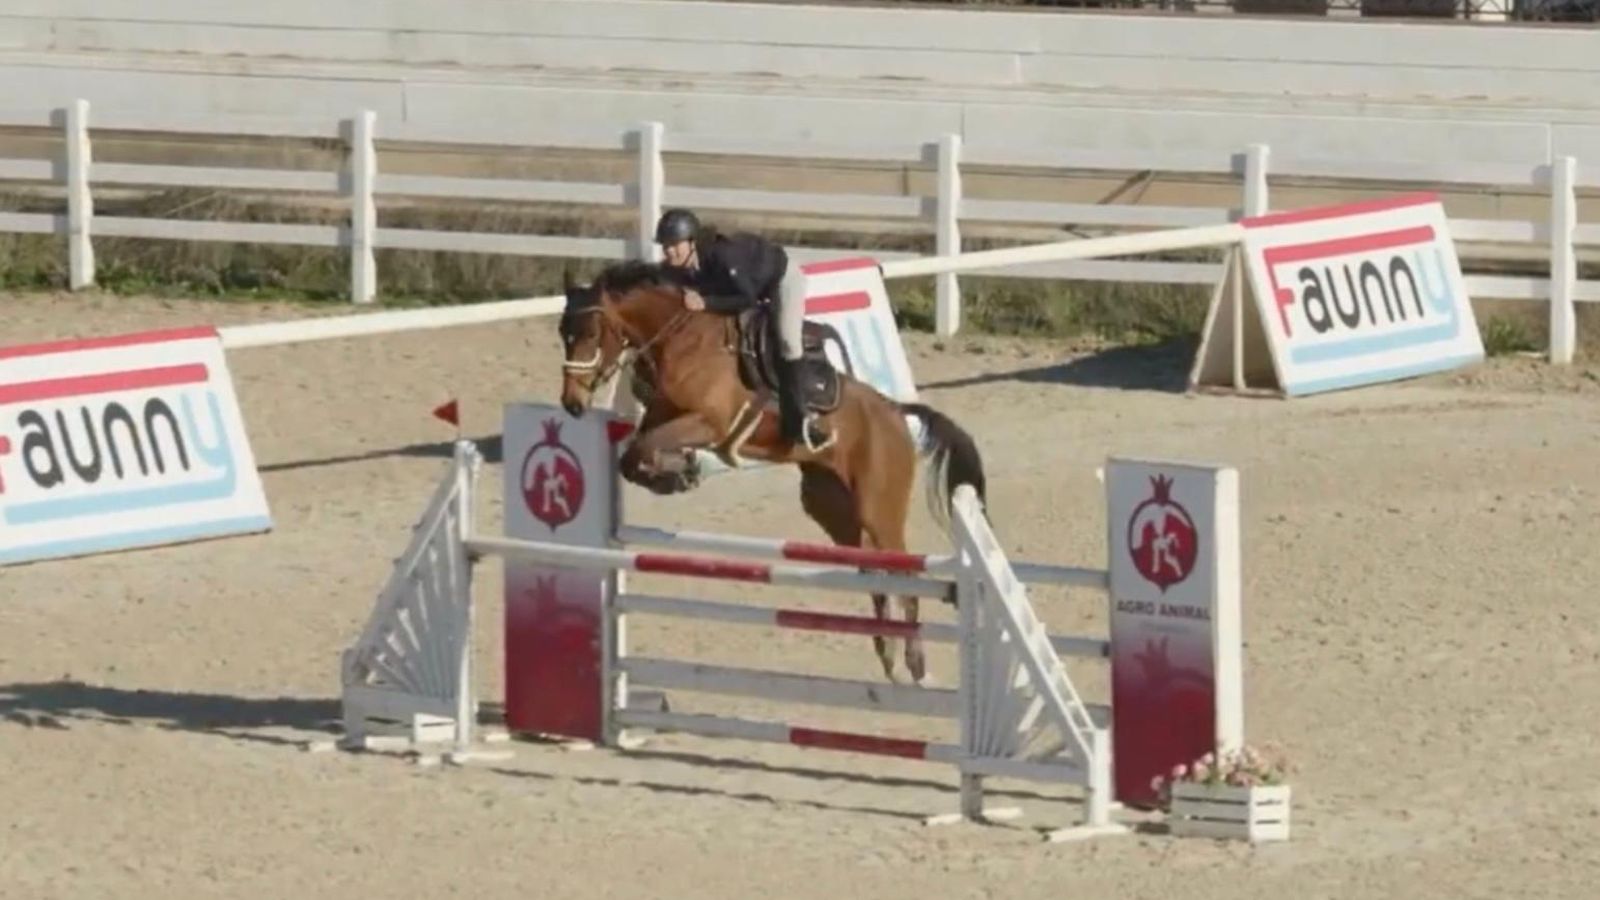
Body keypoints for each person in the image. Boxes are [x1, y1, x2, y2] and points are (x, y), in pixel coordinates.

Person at [652, 207, 826, 450]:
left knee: (788, 341)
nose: (669, 251)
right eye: (665, 246)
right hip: (743, 288)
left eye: (675, 245)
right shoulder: (676, 266)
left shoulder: (723, 256)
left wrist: (706, 303)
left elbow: (746, 299)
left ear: (692, 242)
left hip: (780, 281)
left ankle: (799, 419)